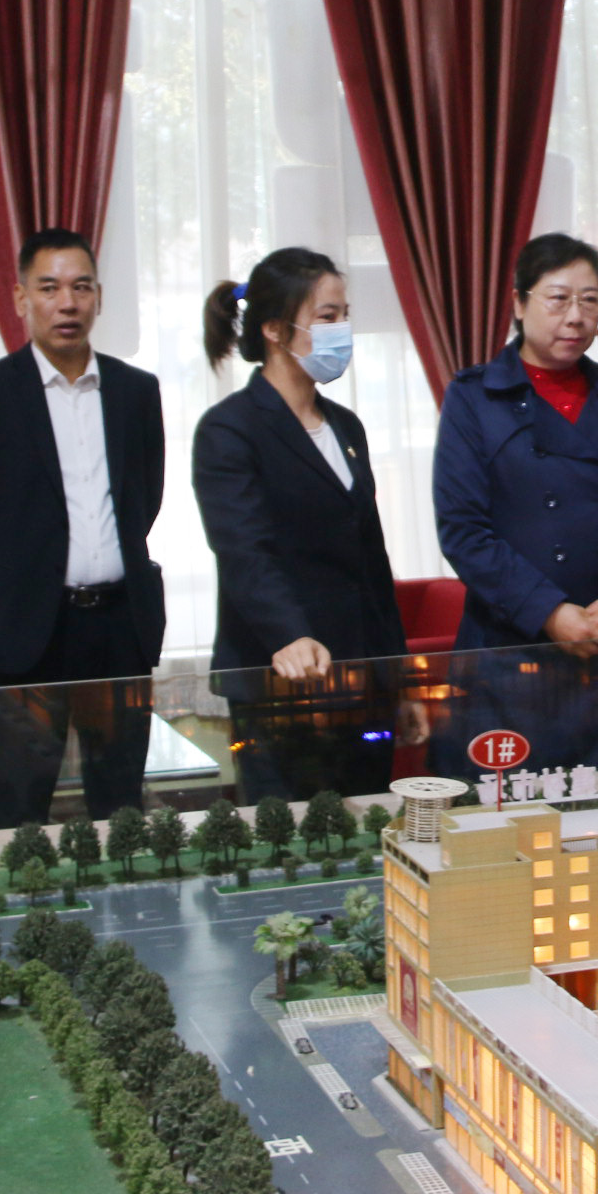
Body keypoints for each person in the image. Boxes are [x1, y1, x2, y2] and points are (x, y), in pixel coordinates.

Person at [0, 230, 165, 828]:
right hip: (28, 631)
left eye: (81, 288)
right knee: (19, 807)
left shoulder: (136, 392)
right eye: (50, 288)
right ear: (21, 298)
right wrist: (12, 571)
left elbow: (144, 498)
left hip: (118, 626)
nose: (67, 303)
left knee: (121, 805)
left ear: (99, 298)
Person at [432, 235, 598, 764]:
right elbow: (463, 530)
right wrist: (548, 611)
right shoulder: (475, 397)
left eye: (590, 301)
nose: (576, 317)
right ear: (519, 304)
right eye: (559, 299)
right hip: (512, 651)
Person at [192, 249, 405, 800]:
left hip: (361, 681)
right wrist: (289, 633)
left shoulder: (346, 426)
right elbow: (244, 550)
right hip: (280, 679)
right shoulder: (229, 429)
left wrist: (396, 678)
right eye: (326, 317)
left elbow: (371, 559)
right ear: (273, 329)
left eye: (344, 315)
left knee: (367, 825)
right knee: (291, 836)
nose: (341, 331)